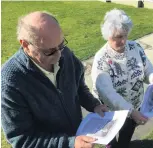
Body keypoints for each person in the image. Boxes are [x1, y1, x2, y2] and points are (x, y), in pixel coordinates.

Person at [1, 11, 108, 148]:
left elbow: (79, 87)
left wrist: (94, 105)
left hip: (77, 135)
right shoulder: (10, 81)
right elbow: (22, 139)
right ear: (25, 45)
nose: (59, 54)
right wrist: (69, 143)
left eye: (62, 45)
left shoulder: (65, 54)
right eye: (49, 51)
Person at [91, 9, 153, 148]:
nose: (124, 41)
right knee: (111, 140)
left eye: (125, 35)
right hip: (111, 113)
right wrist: (131, 111)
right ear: (108, 36)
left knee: (126, 136)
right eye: (118, 37)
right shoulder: (101, 60)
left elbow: (146, 69)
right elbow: (109, 95)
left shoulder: (135, 47)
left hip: (135, 108)